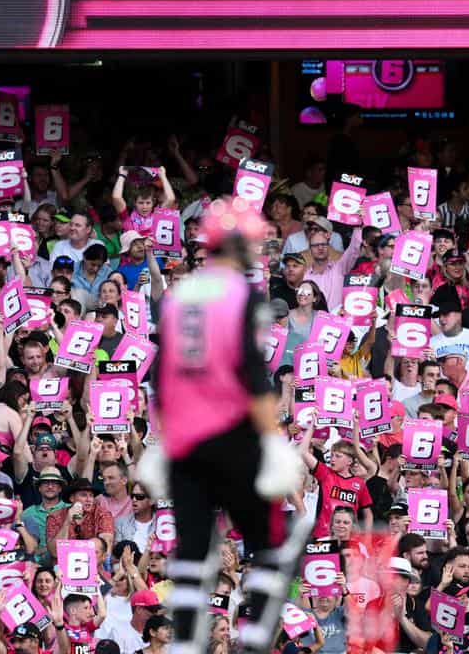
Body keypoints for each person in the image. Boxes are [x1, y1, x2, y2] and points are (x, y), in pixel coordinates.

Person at [153, 196, 307, 653]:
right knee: (273, 538)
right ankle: (256, 636)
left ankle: (184, 641)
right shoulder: (241, 296)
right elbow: (252, 377)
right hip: (231, 438)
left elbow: (161, 377)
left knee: (193, 549)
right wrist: (272, 442)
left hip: (184, 442)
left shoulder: (180, 298)